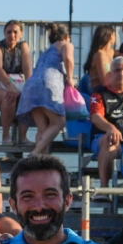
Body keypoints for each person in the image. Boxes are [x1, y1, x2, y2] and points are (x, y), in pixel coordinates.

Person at [18, 23, 74, 158]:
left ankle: (41, 161)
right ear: (67, 37)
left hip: (31, 87)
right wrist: (70, 78)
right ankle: (36, 153)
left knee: (43, 128)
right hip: (47, 85)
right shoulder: (66, 44)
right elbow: (68, 58)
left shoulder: (46, 52)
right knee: (59, 122)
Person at [0, 20, 33, 146]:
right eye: (9, 32)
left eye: (15, 32)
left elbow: (27, 68)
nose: (12, 35)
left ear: (21, 33)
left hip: (17, 83)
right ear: (4, 33)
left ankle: (23, 137)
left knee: (27, 98)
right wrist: (10, 87)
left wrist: (30, 87)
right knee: (9, 96)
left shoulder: (23, 46)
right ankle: (6, 136)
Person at [82, 25, 116, 96]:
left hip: (108, 91)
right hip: (99, 93)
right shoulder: (100, 55)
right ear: (110, 36)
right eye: (114, 35)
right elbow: (105, 81)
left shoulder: (109, 52)